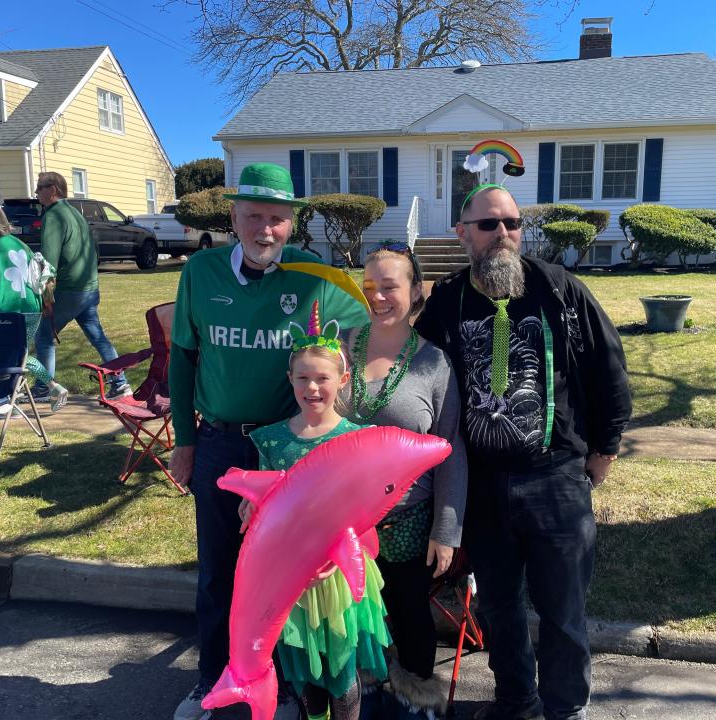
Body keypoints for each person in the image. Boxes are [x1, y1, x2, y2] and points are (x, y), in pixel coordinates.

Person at [413, 184, 631, 720]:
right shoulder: (447, 301)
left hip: (554, 478)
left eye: (512, 222)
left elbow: (610, 369)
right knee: (498, 607)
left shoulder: (559, 289)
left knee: (563, 611)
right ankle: (516, 702)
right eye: (488, 225)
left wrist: (605, 448)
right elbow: (416, 380)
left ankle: (564, 709)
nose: (503, 234)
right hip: (482, 483)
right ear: (463, 233)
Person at [168, 162, 368, 720]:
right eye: (253, 216)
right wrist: (185, 440)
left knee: (286, 575)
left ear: (292, 223)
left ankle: (279, 685)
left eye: (277, 218)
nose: (265, 229)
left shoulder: (317, 276)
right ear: (233, 217)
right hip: (223, 444)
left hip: (289, 451)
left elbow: (381, 313)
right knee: (219, 570)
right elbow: (183, 359)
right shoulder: (202, 272)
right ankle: (210, 679)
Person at [240, 307, 390, 720]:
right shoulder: (271, 442)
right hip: (291, 578)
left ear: (342, 381)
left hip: (338, 576)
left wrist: (340, 551)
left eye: (322, 378)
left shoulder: (357, 439)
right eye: (302, 378)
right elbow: (267, 505)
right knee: (305, 673)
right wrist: (252, 506)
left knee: (341, 672)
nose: (312, 387)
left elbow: (366, 511)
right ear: (290, 379)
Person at [347, 247, 466, 720]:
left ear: (416, 291)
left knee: (410, 615)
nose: (378, 295)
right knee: (353, 618)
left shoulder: (434, 364)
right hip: (343, 523)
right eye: (369, 285)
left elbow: (451, 451)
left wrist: (446, 529)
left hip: (408, 523)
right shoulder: (339, 348)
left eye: (390, 286)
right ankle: (359, 693)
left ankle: (415, 698)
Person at [31, 171, 130, 402]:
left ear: (53, 189)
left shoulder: (53, 216)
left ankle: (44, 388)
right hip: (89, 287)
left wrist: (46, 297)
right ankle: (120, 383)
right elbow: (92, 251)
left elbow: (48, 263)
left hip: (70, 289)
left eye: (40, 188)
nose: (36, 193)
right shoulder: (75, 213)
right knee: (98, 337)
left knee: (43, 336)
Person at [0, 204, 68, 412]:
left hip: (7, 309)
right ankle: (48, 388)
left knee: (12, 356)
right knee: (19, 354)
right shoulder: (19, 243)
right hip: (32, 306)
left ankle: (13, 400)